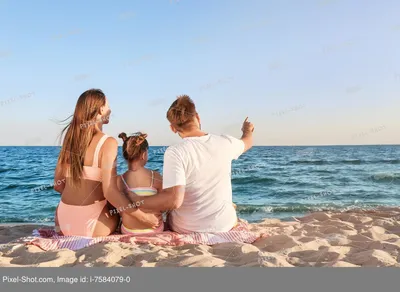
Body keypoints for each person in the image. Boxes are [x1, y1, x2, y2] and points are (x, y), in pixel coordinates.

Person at [127, 95, 254, 233]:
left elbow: (174, 200)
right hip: (224, 226)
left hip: (187, 228)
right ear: (198, 117)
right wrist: (246, 129)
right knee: (229, 206)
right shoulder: (225, 142)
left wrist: (137, 200)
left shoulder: (175, 152)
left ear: (173, 128)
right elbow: (247, 141)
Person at [53, 89, 159, 237]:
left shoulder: (70, 141)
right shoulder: (107, 142)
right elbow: (110, 192)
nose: (110, 110)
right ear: (101, 109)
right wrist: (144, 218)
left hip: (63, 220)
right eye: (108, 105)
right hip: (92, 224)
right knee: (117, 202)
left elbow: (58, 184)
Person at [117, 132, 164, 234]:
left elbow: (120, 210)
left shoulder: (120, 179)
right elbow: (163, 204)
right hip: (154, 228)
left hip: (128, 230)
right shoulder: (155, 176)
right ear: (143, 155)